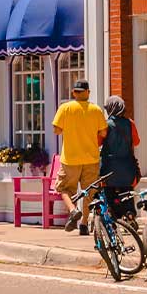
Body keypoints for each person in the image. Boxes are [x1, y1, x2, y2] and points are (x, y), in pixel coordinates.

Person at [52, 78, 108, 234]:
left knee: (63, 188)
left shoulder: (65, 108)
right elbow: (104, 133)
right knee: (89, 192)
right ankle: (84, 223)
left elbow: (56, 130)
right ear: (88, 92)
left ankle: (72, 210)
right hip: (91, 158)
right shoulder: (96, 110)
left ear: (73, 93)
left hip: (70, 158)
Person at [99, 96, 142, 203]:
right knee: (127, 202)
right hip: (127, 170)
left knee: (111, 203)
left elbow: (97, 142)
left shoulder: (105, 125)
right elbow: (137, 142)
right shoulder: (130, 123)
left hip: (109, 171)